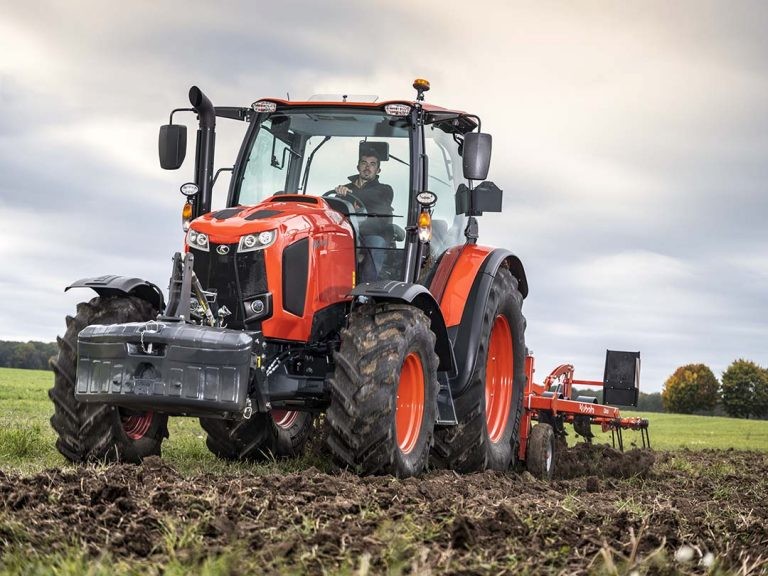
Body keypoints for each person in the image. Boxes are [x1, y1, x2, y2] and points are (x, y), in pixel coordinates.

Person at [334, 147, 394, 279]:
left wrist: (348, 193)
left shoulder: (384, 190)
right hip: (347, 234)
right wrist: (339, 195)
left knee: (377, 243)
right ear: (358, 167)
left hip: (370, 234)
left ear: (378, 170)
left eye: (372, 164)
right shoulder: (344, 189)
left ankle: (366, 289)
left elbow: (373, 197)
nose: (367, 167)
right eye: (364, 163)